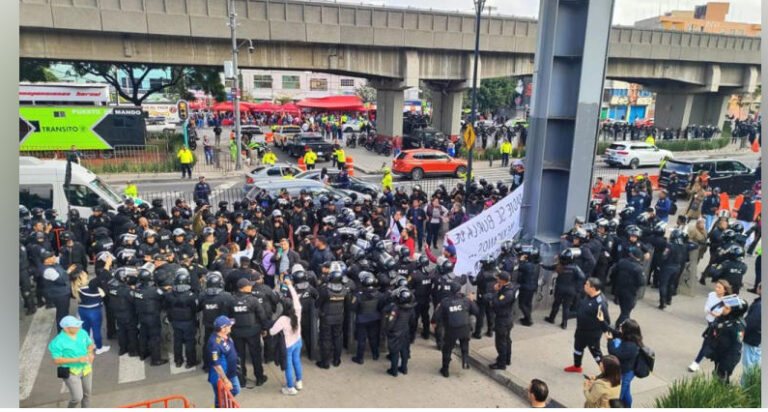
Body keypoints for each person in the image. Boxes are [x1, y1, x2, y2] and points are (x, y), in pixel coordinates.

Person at [432, 282, 479, 378]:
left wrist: (433, 322)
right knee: (464, 345)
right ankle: (465, 361)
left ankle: (445, 370)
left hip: (451, 330)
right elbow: (476, 311)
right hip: (465, 328)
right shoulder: (466, 300)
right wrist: (471, 301)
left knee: (447, 349)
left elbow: (437, 315)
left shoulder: (445, 302)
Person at [564, 277, 610, 374]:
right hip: (581, 330)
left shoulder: (601, 303)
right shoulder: (588, 295)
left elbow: (606, 320)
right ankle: (577, 366)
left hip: (592, 334)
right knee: (577, 348)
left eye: (587, 285)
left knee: (596, 353)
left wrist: (606, 332)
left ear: (593, 288)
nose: (584, 286)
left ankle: (606, 372)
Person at [229, 277, 269, 386]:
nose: (251, 286)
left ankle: (241, 380)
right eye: (249, 285)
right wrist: (264, 328)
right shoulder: (253, 300)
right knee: (256, 355)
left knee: (239, 356)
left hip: (237, 333)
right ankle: (259, 378)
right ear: (243, 288)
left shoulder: (231, 300)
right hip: (253, 332)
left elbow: (229, 317)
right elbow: (262, 315)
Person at [49, 316, 95, 408]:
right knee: (77, 397)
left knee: (87, 395)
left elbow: (90, 345)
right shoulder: (57, 342)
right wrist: (77, 359)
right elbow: (57, 360)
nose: (78, 327)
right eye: (75, 326)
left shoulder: (82, 333)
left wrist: (90, 353)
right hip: (71, 372)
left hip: (86, 368)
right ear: (66, 328)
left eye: (78, 325)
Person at [269, 279, 304, 395]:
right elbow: (295, 298)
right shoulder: (298, 311)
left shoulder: (283, 319)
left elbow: (272, 332)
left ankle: (290, 388)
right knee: (297, 361)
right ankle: (299, 382)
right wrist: (290, 286)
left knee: (288, 367)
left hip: (288, 346)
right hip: (298, 341)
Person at [688, 279, 731, 372]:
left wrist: (717, 315)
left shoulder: (727, 301)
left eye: (719, 287)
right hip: (711, 322)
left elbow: (727, 314)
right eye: (716, 286)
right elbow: (706, 307)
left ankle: (696, 362)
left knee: (708, 342)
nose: (717, 289)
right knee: (709, 342)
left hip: (719, 325)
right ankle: (700, 359)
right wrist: (712, 313)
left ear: (725, 290)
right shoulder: (711, 295)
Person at [704, 296, 748, 382]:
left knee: (721, 380)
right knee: (716, 376)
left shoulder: (738, 327)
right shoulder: (725, 318)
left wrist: (726, 365)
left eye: (727, 308)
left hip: (727, 359)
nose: (723, 309)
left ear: (735, 311)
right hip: (719, 354)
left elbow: (736, 347)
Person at [71, 268, 110, 355]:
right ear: (81, 277)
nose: (85, 273)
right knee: (96, 330)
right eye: (83, 273)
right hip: (94, 311)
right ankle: (99, 347)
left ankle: (87, 346)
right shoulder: (91, 285)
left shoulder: (75, 287)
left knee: (85, 329)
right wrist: (107, 265)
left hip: (82, 310)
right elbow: (102, 276)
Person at [606, 319, 642, 407]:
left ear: (627, 331)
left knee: (617, 397)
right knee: (626, 393)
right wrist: (602, 321)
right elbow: (615, 332)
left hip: (625, 373)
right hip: (628, 371)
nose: (619, 327)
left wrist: (610, 341)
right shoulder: (632, 338)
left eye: (622, 327)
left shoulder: (630, 346)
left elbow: (615, 354)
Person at [350, 272, 384, 364]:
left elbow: (352, 307)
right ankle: (375, 355)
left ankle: (360, 358)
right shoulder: (379, 294)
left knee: (361, 339)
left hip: (361, 319)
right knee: (373, 338)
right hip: (375, 318)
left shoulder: (358, 295)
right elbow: (381, 306)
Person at [208, 316, 241, 407]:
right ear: (223, 329)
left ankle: (224, 403)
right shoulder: (214, 344)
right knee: (220, 398)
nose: (231, 326)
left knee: (236, 389)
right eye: (229, 325)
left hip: (230, 372)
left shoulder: (225, 335)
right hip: (221, 377)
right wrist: (225, 380)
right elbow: (216, 365)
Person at [489, 272, 518, 370]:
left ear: (502, 280)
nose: (497, 280)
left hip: (503, 319)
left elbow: (497, 303)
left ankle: (501, 364)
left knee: (501, 342)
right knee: (506, 339)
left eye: (498, 278)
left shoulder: (507, 293)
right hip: (507, 317)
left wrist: (495, 292)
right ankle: (506, 359)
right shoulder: (510, 287)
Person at [384, 288, 416, 377]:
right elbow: (412, 321)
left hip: (395, 332)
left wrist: (387, 330)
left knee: (394, 351)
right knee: (404, 350)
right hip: (405, 331)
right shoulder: (411, 308)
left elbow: (391, 322)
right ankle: (404, 368)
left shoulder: (395, 308)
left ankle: (394, 371)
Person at [40, 252, 72, 331]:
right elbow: (60, 280)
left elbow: (62, 260)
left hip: (63, 292)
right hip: (59, 295)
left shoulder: (53, 264)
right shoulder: (48, 270)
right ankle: (61, 332)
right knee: (62, 314)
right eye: (52, 256)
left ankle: (64, 329)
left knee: (65, 312)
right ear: (46, 260)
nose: (54, 257)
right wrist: (68, 271)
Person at [741, 283, 760, 386]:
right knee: (756, 361)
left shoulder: (759, 305)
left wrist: (741, 334)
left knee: (748, 363)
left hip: (753, 338)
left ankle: (745, 387)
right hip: (759, 339)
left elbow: (751, 323)